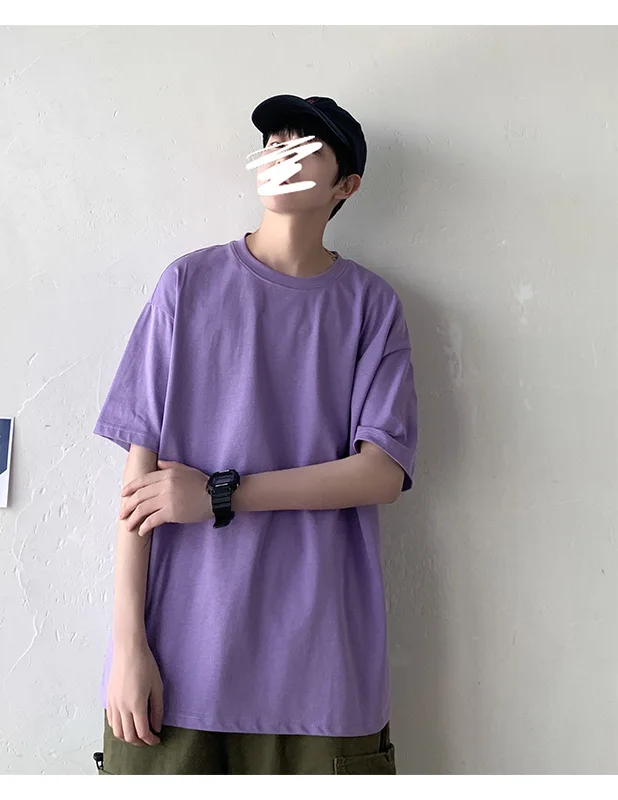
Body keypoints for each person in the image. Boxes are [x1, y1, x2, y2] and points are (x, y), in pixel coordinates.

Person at [91, 94, 419, 775]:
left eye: (306, 149)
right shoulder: (188, 285)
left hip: (321, 674)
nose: (281, 156)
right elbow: (138, 486)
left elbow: (381, 473)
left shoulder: (370, 305)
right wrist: (127, 648)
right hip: (181, 667)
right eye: (274, 143)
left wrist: (220, 493)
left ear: (346, 186)